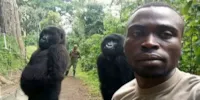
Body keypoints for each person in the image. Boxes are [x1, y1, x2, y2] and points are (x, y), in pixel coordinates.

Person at [112, 2, 200, 100]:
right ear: (124, 46)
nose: (149, 43)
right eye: (137, 33)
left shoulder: (195, 92)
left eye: (166, 34)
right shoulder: (121, 96)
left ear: (181, 47)